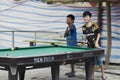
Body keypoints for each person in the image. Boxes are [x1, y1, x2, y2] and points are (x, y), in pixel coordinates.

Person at [82, 11, 106, 80]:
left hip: (96, 46)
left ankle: (103, 75)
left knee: (100, 61)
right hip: (89, 47)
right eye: (84, 17)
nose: (85, 18)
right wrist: (84, 41)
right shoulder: (83, 27)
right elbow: (85, 36)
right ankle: (92, 77)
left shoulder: (94, 24)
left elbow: (98, 34)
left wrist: (96, 42)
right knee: (91, 62)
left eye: (86, 17)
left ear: (90, 17)